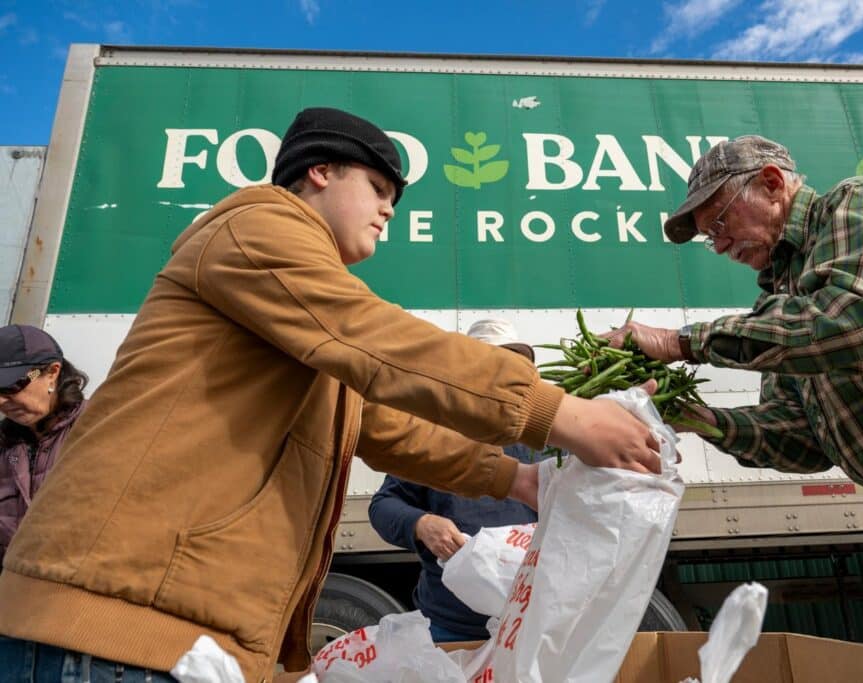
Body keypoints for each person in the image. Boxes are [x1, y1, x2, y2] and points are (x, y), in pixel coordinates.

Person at [0, 107, 661, 682]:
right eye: (376, 186)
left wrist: (518, 478)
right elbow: (376, 339)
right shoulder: (256, 230)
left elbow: (388, 425)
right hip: (114, 632)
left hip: (164, 636)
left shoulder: (296, 321)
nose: (388, 210)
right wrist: (560, 411)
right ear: (318, 171)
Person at [604, 135, 863, 667]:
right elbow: (801, 441)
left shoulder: (859, 205)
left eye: (719, 223)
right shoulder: (781, 300)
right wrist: (694, 419)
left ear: (772, 183)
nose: (717, 244)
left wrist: (679, 342)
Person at [369, 318, 544, 643]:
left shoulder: (542, 441)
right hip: (448, 630)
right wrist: (421, 523)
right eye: (490, 367)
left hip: (529, 625)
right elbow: (383, 507)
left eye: (511, 368)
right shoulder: (433, 437)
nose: (501, 381)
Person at [0, 325, 88, 569]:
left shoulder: (100, 429)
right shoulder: (4, 444)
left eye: (11, 386)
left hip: (75, 594)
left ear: (52, 372)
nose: (1, 401)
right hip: (14, 592)